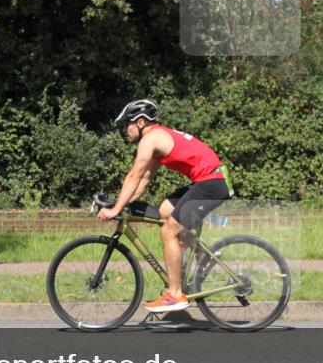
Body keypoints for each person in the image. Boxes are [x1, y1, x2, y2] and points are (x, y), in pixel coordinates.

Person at [98, 99, 232, 313]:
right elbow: (142, 182)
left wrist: (114, 210)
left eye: (126, 124)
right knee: (164, 210)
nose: (125, 130)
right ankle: (203, 255)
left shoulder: (150, 139)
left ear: (140, 122)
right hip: (209, 181)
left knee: (168, 230)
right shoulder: (158, 138)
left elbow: (133, 176)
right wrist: (120, 203)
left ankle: (175, 294)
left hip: (211, 183)